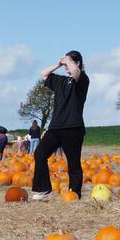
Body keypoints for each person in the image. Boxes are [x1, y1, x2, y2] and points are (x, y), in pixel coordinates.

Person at [30, 52, 89, 200]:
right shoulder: (60, 81)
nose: (66, 66)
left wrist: (69, 60)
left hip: (73, 128)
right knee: (39, 154)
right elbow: (44, 74)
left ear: (78, 63)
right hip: (55, 128)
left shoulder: (82, 79)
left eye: (69, 62)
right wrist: (58, 64)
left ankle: (74, 193)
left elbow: (75, 72)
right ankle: (43, 189)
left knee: (73, 163)